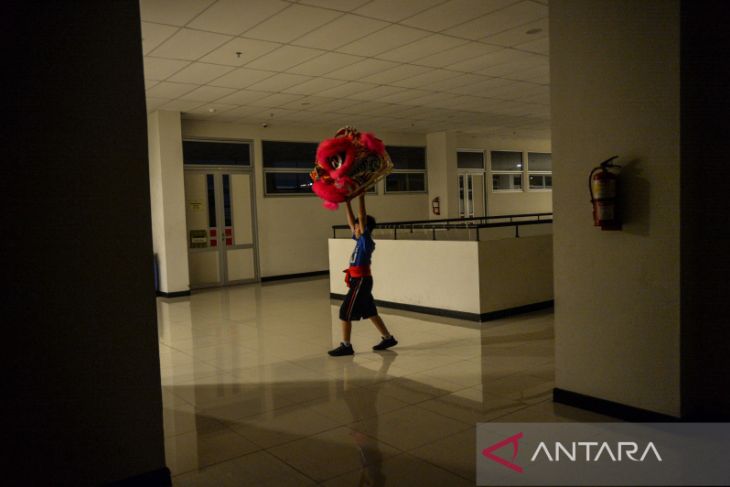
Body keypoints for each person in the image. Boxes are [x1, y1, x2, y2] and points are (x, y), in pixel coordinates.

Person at [328, 193, 397, 356]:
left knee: (344, 312)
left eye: (358, 226)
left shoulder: (366, 241)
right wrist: (347, 203)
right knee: (370, 312)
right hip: (359, 280)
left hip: (361, 281)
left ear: (365, 228)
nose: (355, 228)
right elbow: (352, 222)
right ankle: (388, 338)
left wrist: (361, 197)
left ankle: (346, 345)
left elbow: (361, 218)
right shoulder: (359, 239)